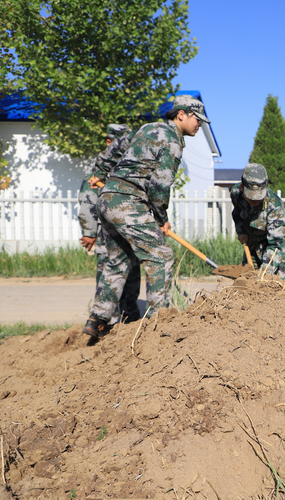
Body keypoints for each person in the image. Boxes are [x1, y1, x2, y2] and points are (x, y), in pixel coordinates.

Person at [82, 94, 209, 338]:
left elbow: (116, 146)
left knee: (118, 260)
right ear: (181, 114)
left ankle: (97, 319)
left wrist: (100, 171)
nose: (199, 124)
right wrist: (161, 219)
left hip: (108, 199)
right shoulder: (172, 142)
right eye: (197, 119)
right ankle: (158, 322)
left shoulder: (148, 128)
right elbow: (160, 187)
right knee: (161, 255)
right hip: (129, 201)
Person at [78, 124, 140, 324]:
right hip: (108, 237)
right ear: (109, 142)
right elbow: (88, 201)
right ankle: (106, 321)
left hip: (131, 235)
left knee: (132, 276)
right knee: (108, 276)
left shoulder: (130, 169)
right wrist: (89, 231)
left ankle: (130, 318)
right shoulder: (99, 171)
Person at [230, 163, 285, 278]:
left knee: (276, 282)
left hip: (277, 244)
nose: (255, 199)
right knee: (247, 276)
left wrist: (264, 274)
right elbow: (237, 213)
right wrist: (241, 231)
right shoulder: (236, 194)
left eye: (259, 196)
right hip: (253, 240)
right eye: (251, 196)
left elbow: (276, 246)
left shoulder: (275, 207)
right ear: (242, 188)